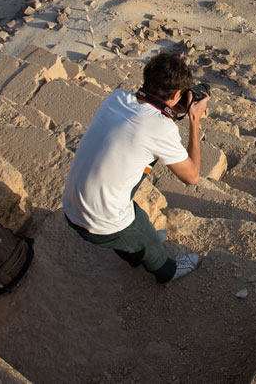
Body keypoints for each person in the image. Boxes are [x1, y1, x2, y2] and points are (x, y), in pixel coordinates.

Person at [62, 52, 209, 284]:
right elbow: (191, 177)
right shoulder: (161, 128)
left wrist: (172, 106)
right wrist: (194, 120)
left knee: (136, 214)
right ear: (176, 95)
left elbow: (143, 119)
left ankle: (134, 249)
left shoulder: (116, 98)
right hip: (99, 222)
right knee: (147, 238)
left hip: (70, 205)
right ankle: (165, 270)